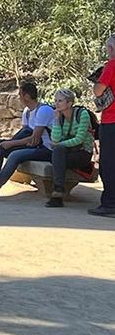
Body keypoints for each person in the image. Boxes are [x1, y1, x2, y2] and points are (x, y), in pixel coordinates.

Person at [0, 80, 55, 200]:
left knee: (15, 155)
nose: (19, 97)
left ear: (27, 96)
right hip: (34, 146)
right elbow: (25, 132)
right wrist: (6, 143)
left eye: (20, 94)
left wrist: (11, 143)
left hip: (47, 149)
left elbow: (35, 138)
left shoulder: (43, 110)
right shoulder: (27, 112)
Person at [44, 89, 96, 208]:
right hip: (66, 153)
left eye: (60, 101)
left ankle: (57, 194)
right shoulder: (60, 117)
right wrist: (56, 120)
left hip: (82, 153)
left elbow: (79, 139)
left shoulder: (82, 114)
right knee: (57, 153)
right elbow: (55, 139)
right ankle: (58, 191)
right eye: (55, 101)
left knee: (57, 153)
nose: (56, 104)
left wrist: (59, 145)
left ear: (69, 103)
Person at [90, 34, 115, 218]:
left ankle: (109, 203)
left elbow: (99, 89)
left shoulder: (111, 65)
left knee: (108, 163)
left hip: (111, 119)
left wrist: (96, 84)